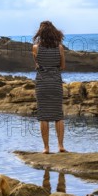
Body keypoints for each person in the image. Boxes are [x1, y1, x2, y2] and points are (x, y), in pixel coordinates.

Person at [32, 21, 66, 154]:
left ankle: (46, 148)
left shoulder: (35, 48)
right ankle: (61, 146)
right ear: (54, 33)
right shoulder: (60, 47)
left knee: (44, 116)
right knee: (58, 115)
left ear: (40, 34)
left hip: (42, 83)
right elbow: (62, 66)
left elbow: (37, 65)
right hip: (55, 82)